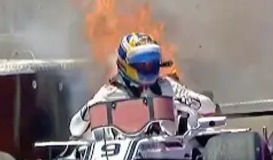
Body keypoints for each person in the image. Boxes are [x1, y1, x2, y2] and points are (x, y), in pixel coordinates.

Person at [69, 32, 216, 138]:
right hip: (123, 159)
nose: (148, 67)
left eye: (152, 62)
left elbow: (209, 107)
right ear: (125, 64)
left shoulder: (167, 86)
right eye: (142, 63)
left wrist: (183, 101)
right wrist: (89, 110)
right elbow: (75, 129)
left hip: (169, 155)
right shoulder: (108, 94)